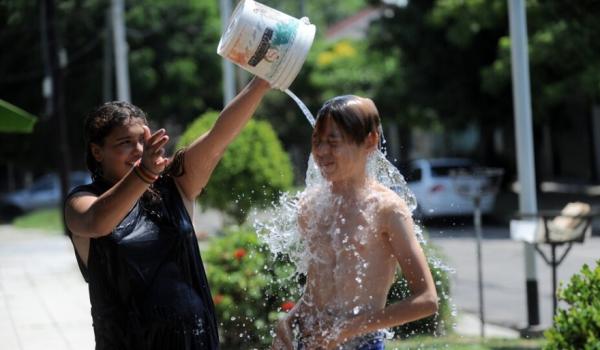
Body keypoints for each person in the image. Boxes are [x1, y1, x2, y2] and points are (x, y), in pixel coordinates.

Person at [64, 77, 270, 349]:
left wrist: (262, 83)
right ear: (97, 151)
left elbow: (218, 137)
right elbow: (98, 222)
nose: (138, 150)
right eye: (125, 142)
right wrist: (144, 172)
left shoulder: (173, 183)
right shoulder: (81, 202)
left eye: (142, 140)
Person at [272, 95, 439, 350]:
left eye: (333, 142)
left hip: (362, 344)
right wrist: (291, 318)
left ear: (370, 141)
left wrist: (345, 331)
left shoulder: (387, 209)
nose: (321, 152)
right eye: (316, 141)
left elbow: (427, 300)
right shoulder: (311, 205)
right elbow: (319, 291)